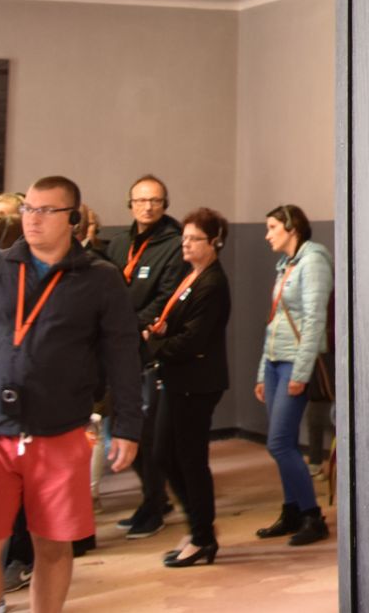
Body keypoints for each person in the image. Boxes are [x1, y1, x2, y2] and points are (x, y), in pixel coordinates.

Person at [0, 176, 141, 613]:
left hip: (60, 432)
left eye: (46, 210)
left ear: (72, 218)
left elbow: (123, 355)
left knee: (52, 545)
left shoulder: (100, 279)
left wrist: (128, 425)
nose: (33, 219)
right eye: (29, 209)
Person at [141, 210, 230, 568]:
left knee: (190, 459)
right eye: (185, 238)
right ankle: (198, 526)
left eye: (194, 239)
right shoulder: (193, 275)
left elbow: (194, 340)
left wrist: (153, 344)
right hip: (178, 378)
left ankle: (203, 537)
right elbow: (181, 323)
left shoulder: (213, 283)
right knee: (164, 454)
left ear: (215, 243)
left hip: (197, 382)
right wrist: (163, 330)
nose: (186, 244)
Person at [101, 176, 183, 539]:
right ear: (130, 204)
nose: (147, 207)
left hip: (149, 352)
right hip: (118, 349)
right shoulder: (119, 244)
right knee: (119, 428)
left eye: (155, 200)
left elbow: (166, 299)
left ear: (165, 204)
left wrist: (128, 327)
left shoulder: (175, 244)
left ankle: (153, 504)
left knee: (148, 435)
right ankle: (155, 498)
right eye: (140, 200)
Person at [254, 204, 331, 547]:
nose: (267, 235)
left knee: (279, 443)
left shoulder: (313, 261)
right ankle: (292, 510)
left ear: (292, 227)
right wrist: (262, 371)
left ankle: (312, 516)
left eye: (273, 227)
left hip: (293, 363)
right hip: (275, 361)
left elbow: (314, 320)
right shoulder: (287, 263)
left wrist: (300, 371)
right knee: (280, 444)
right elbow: (274, 321)